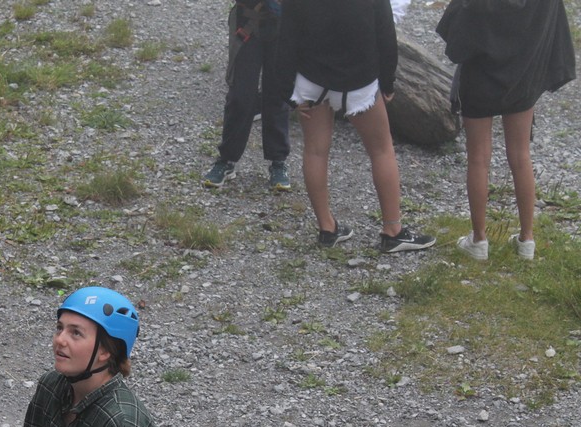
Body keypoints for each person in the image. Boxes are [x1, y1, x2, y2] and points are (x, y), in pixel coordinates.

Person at [277, 0, 436, 253]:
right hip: (359, 79)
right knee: (381, 150)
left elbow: (286, 34)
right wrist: (388, 81)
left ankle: (327, 228)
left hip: (311, 78)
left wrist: (286, 89)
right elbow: (385, 32)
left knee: (315, 151)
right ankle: (393, 231)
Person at [437, 0, 576, 261]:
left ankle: (478, 241)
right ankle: (527, 241)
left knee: (479, 158)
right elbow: (555, 33)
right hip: (522, 78)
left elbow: (455, 40)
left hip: (478, 78)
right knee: (521, 156)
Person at [11, 287, 171, 427]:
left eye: (75, 333)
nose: (60, 340)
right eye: (60, 328)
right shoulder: (50, 387)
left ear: (106, 350)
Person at [203, 0, 291, 192]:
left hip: (283, 23)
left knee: (277, 94)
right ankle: (226, 159)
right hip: (247, 21)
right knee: (240, 97)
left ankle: (278, 161)